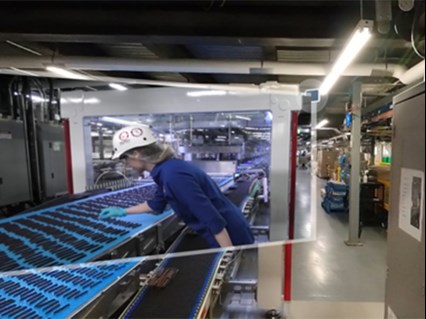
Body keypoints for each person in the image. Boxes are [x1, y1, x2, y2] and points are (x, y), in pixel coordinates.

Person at [99, 125, 254, 248]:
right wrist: (122, 211)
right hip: (223, 232)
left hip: (230, 236)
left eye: (125, 158)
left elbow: (212, 219)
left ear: (136, 153)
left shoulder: (174, 175)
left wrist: (227, 255)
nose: (126, 164)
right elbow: (156, 205)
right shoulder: (166, 170)